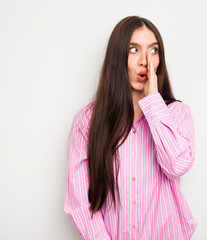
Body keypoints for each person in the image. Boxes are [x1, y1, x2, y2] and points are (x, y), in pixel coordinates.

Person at [64, 16, 198, 240]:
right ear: (118, 57)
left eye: (153, 51)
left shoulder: (177, 114)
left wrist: (154, 103)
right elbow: (79, 201)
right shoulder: (87, 120)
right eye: (134, 49)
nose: (145, 60)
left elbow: (177, 165)